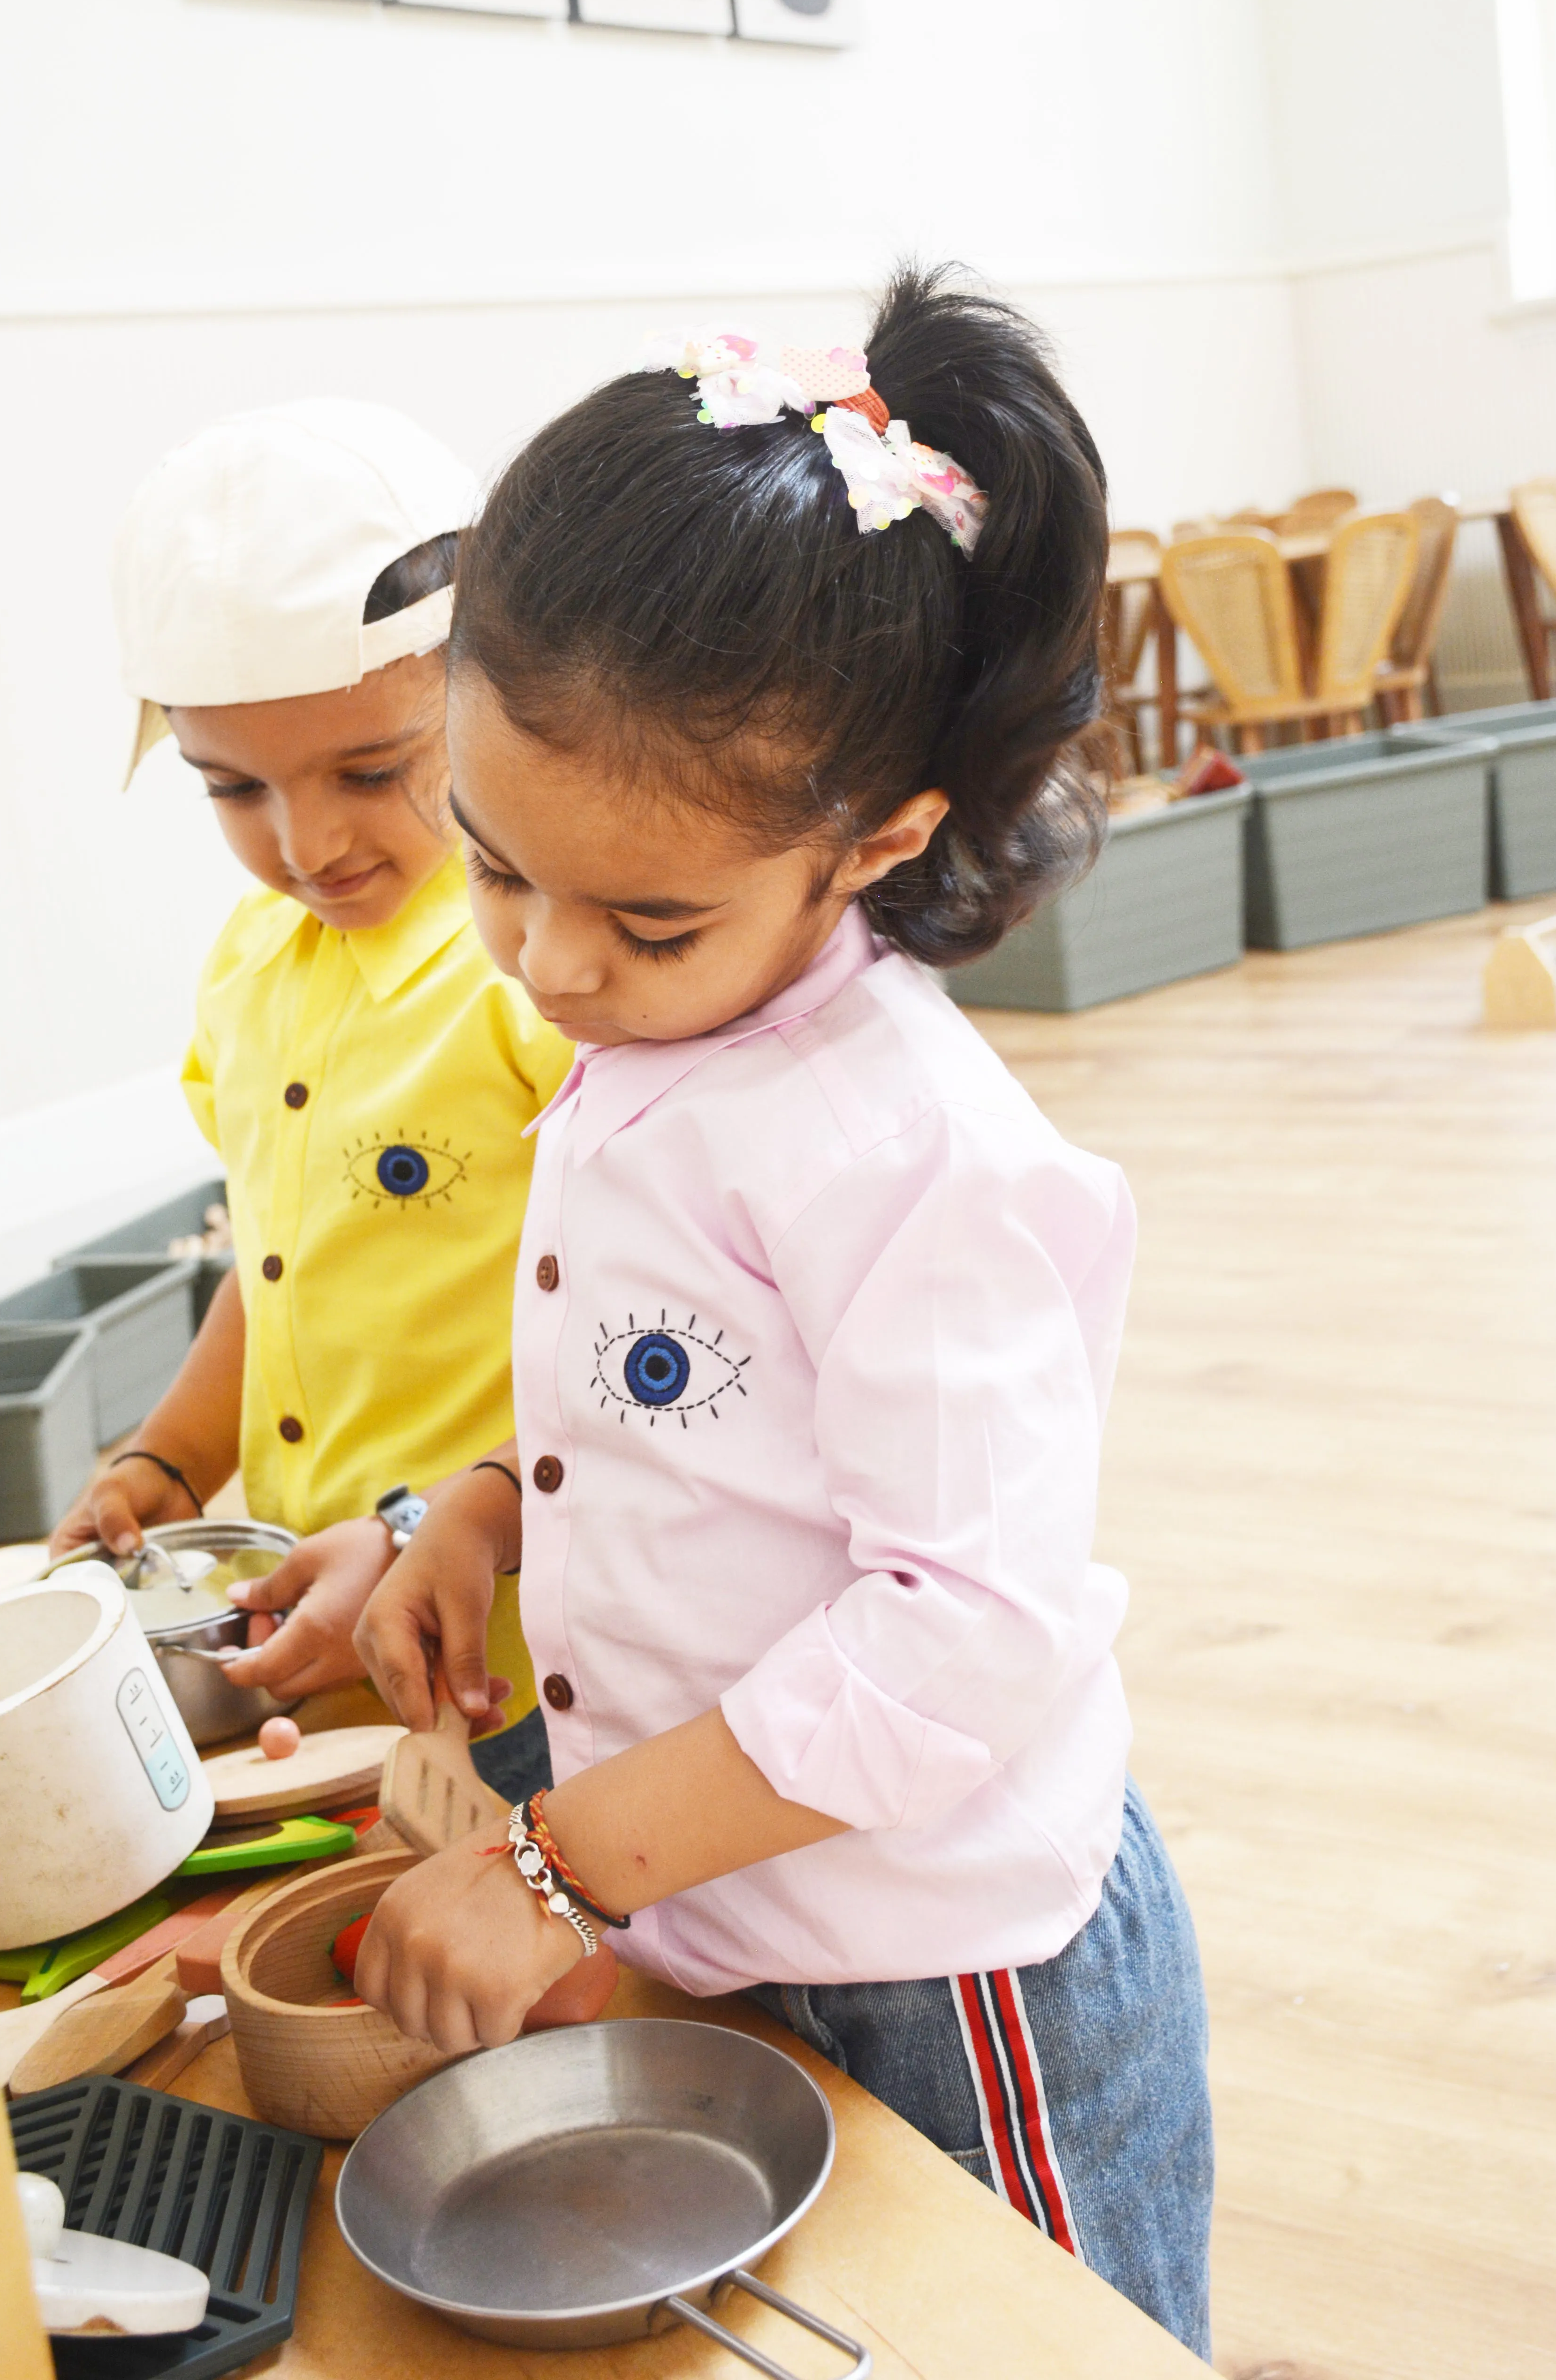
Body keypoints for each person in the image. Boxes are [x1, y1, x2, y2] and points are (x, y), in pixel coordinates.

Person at [349, 272, 1215, 2351]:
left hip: (943, 1964)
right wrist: (483, 1513)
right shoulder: (659, 1026)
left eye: (643, 920)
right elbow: (699, 1416)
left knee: (1032, 2341)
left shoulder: (916, 1152)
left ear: (882, 843)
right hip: (727, 1899)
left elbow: (965, 1631)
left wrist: (557, 1866)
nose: (547, 966)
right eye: (493, 868)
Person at [48, 400, 570, 1801]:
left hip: (505, 1643)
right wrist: (172, 1452)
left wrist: (429, 1529)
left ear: (484, 694)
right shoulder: (251, 962)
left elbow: (644, 1330)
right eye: (234, 789)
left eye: (368, 772)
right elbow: (270, 1258)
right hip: (311, 1621)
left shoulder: (538, 969)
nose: (306, 843)